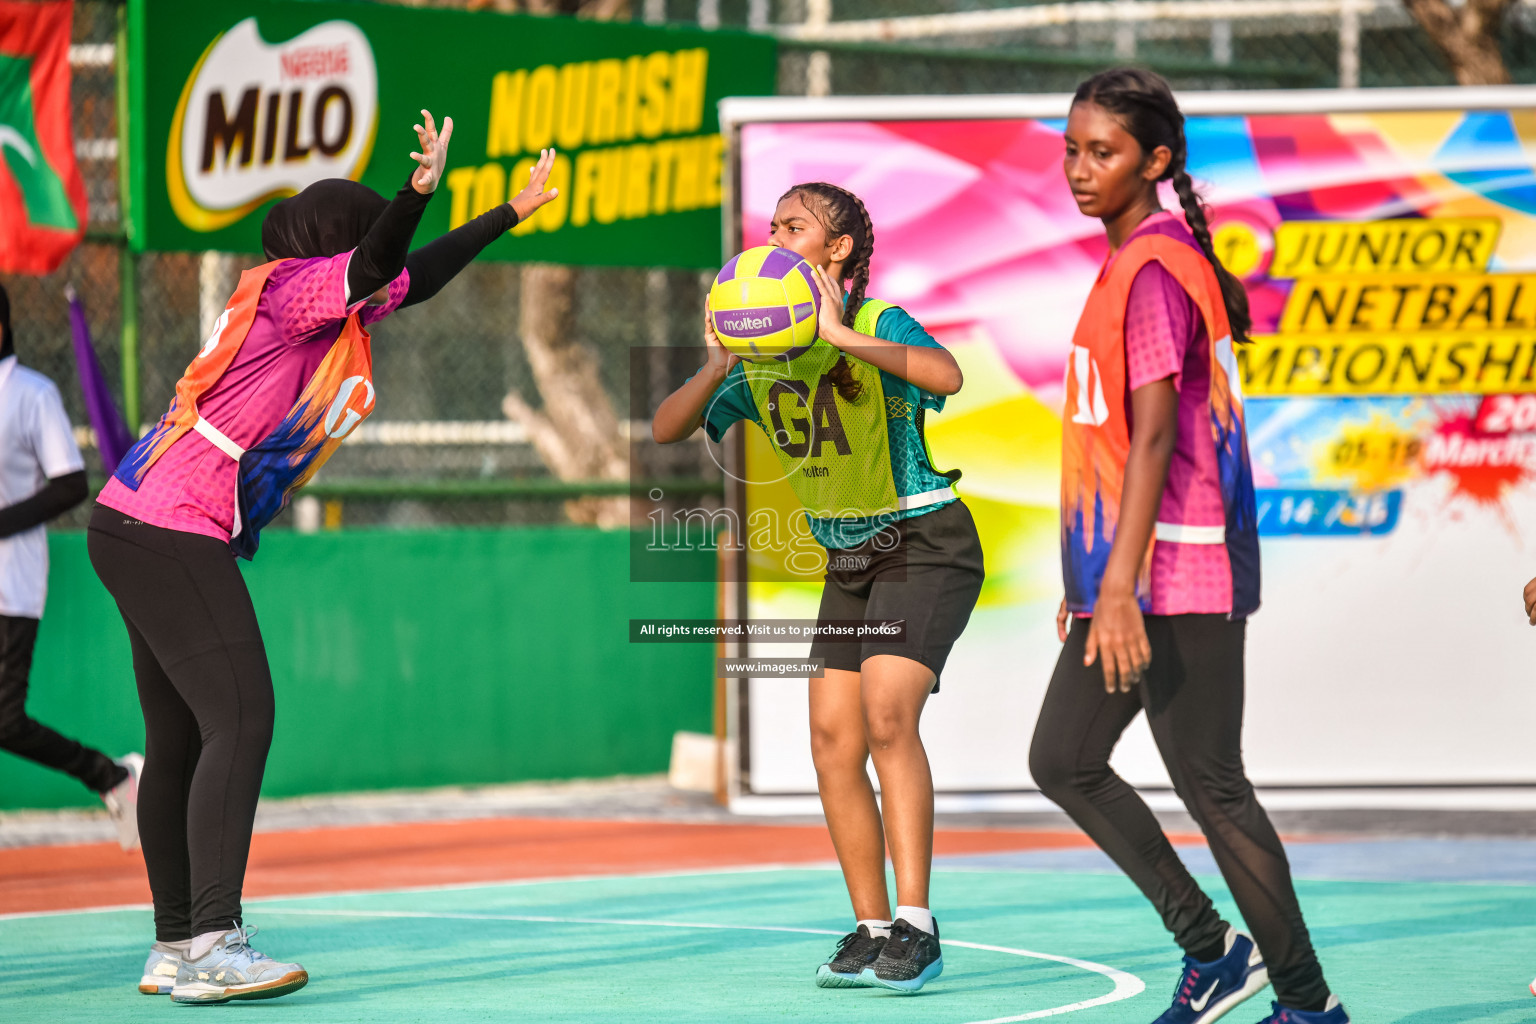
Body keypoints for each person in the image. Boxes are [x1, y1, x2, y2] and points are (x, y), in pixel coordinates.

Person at [87, 111, 560, 1004]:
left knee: (182, 736)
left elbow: (407, 277)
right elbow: (383, 262)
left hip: (134, 516)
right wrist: (418, 191)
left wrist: (506, 213)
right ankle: (215, 942)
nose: (377, 241)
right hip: (174, 519)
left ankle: (175, 942)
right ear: (336, 241)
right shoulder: (297, 289)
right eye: (368, 222)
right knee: (244, 718)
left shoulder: (319, 299)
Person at [1026, 69, 1350, 1024]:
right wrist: (1092, 578)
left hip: (1177, 572)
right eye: (1072, 150)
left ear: (1156, 161)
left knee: (1211, 785)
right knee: (1066, 759)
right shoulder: (1134, 259)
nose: (1081, 170)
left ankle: (1305, 1001)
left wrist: (1117, 583)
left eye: (1104, 152)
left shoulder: (1158, 268)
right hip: (1132, 575)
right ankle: (1213, 951)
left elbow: (1160, 435)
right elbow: (1116, 439)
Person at [653, 183, 984, 993]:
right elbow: (666, 427)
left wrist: (837, 332)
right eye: (771, 227)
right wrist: (717, 364)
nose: (775, 236)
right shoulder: (760, 352)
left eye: (794, 227)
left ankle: (917, 924)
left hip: (924, 539)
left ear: (836, 252)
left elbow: (946, 375)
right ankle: (872, 926)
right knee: (832, 739)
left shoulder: (873, 324)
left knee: (883, 714)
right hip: (849, 558)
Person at [0, 283, 142, 848]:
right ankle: (108, 775)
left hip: (11, 582)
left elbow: (70, 483)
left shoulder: (32, 394)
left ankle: (111, 775)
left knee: (5, 719)